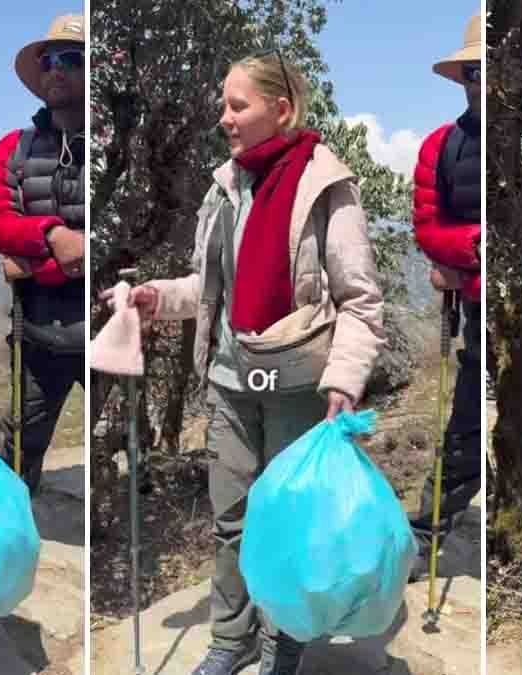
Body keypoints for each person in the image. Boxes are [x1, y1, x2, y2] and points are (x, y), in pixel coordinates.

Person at [104, 51, 386, 675]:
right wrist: (158, 298)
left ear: (280, 110)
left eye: (239, 105)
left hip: (298, 385)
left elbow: (360, 301)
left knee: (288, 523)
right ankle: (230, 640)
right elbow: (209, 286)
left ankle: (281, 644)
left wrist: (343, 380)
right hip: (231, 381)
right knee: (231, 520)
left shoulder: (325, 187)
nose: (224, 117)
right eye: (223, 105)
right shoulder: (226, 186)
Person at [0, 14, 86, 496]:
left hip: (104, 335)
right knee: (20, 452)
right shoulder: (13, 148)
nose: (56, 70)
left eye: (71, 58)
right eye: (49, 61)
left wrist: (33, 262)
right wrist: (57, 240)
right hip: (36, 335)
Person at [407, 10, 483, 582]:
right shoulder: (441, 146)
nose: (482, 81)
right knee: (463, 425)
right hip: (476, 313)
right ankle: (426, 535)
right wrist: (476, 252)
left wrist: (462, 265)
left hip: (504, 310)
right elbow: (427, 228)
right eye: (475, 71)